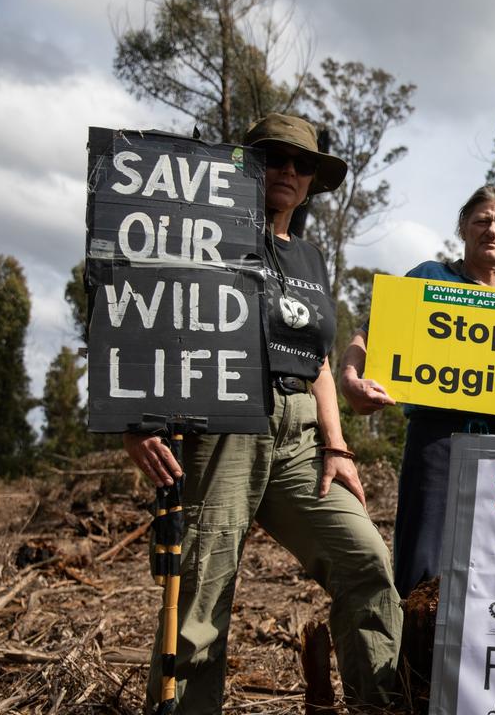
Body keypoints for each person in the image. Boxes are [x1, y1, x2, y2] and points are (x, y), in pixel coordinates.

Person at [122, 113, 402, 712]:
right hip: (225, 422)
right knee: (200, 596)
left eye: (303, 165)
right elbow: (145, 312)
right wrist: (134, 420)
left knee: (367, 562)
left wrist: (337, 446)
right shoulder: (201, 234)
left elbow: (319, 359)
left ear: (310, 184)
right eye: (275, 158)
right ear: (244, 165)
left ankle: (379, 705)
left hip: (301, 434)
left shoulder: (309, 258)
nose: (289, 172)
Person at [339, 185, 495, 597]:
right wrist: (350, 377)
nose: (492, 230)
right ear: (463, 228)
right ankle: (412, 657)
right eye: (482, 221)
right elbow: (370, 335)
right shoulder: (429, 277)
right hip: (436, 439)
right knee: (423, 562)